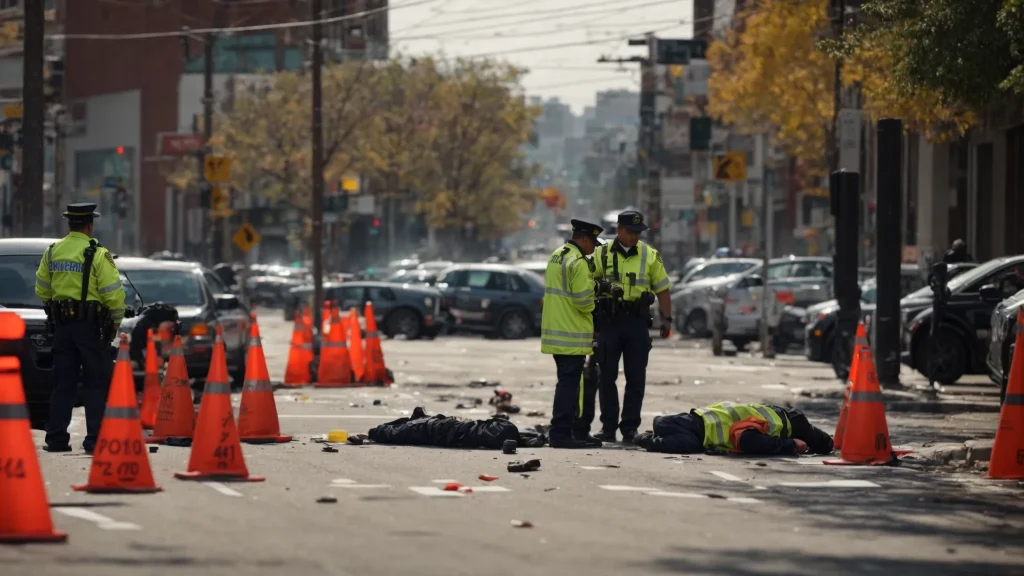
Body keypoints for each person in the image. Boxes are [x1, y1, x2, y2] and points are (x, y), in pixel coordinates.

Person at [35, 203, 127, 454]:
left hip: (63, 328)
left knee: (63, 383)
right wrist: (115, 323)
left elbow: (42, 288)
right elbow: (113, 295)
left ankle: (55, 438)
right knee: (95, 383)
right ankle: (94, 440)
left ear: (69, 224)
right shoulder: (97, 253)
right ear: (89, 225)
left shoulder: (53, 251)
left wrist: (58, 303)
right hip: (90, 328)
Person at [588, 211, 673, 444]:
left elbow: (663, 289)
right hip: (609, 323)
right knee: (606, 377)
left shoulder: (649, 255)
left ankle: (629, 429)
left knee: (636, 378)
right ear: (619, 229)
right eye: (631, 232)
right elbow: (587, 282)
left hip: (636, 323)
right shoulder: (601, 253)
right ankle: (608, 428)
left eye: (639, 233)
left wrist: (668, 319)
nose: (636, 237)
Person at [541, 218, 617, 449]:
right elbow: (583, 301)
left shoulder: (558, 255)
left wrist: (593, 286)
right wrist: (598, 297)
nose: (594, 248)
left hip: (556, 332)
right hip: (571, 334)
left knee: (565, 383)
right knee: (569, 386)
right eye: (593, 242)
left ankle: (565, 432)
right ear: (583, 238)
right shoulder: (578, 262)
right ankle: (563, 434)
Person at [632, 402, 834, 456]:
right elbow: (747, 440)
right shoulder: (776, 426)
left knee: (675, 434)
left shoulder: (773, 415)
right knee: (687, 445)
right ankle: (648, 438)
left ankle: (655, 431)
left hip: (691, 422)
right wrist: (789, 445)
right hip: (697, 430)